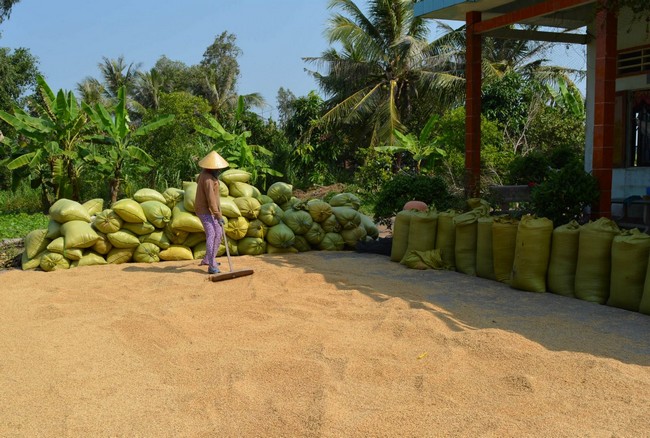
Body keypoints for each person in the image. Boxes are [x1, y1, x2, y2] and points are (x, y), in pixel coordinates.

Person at [194, 150, 229, 274]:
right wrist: (218, 214)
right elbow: (211, 199)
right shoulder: (207, 179)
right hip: (204, 210)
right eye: (217, 169)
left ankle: (209, 259)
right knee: (212, 234)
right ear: (211, 168)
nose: (219, 170)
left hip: (212, 211)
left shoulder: (209, 176)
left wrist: (217, 212)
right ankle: (211, 265)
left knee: (218, 232)